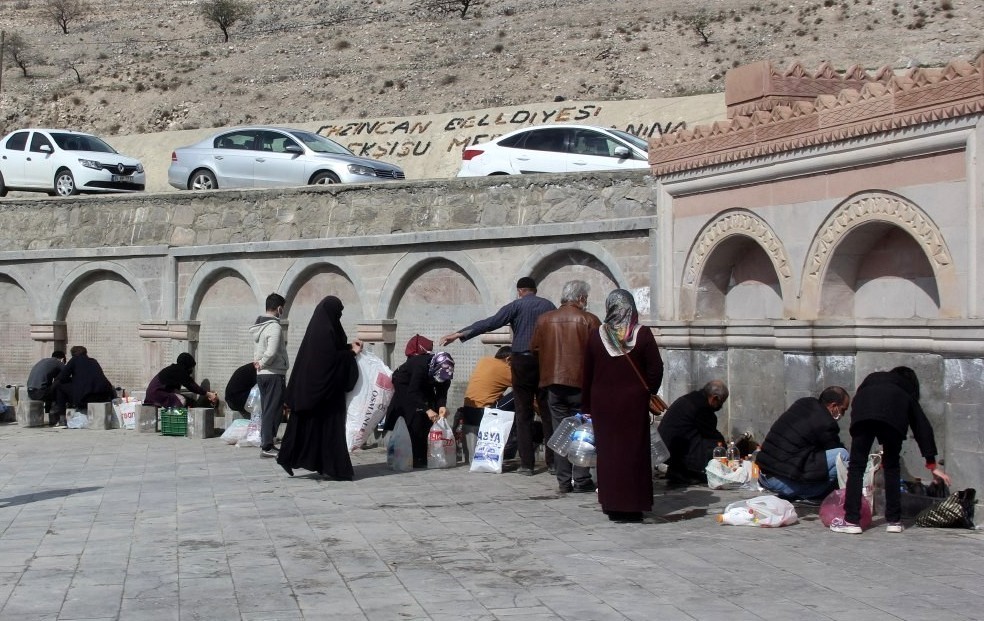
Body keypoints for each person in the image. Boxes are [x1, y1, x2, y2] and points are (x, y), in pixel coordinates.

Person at [441, 276, 556, 476]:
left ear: (520, 291)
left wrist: (460, 333)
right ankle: (554, 463)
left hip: (520, 359)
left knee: (523, 412)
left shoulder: (516, 306)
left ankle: (527, 465)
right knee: (546, 411)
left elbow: (491, 322)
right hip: (544, 360)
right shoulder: (549, 306)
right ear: (534, 290)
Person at [831, 367, 951, 534]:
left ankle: (852, 521)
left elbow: (864, 404)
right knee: (892, 466)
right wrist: (931, 464)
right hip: (893, 421)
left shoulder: (872, 379)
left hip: (863, 416)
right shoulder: (904, 391)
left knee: (856, 467)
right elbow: (921, 426)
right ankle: (894, 521)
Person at [582, 289, 663, 522]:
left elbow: (587, 373)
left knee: (608, 454)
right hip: (633, 404)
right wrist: (648, 392)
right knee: (633, 452)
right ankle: (633, 504)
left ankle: (611, 502)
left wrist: (586, 405)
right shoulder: (643, 334)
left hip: (603, 405)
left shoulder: (596, 336)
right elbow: (656, 368)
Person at [277, 296, 363, 480]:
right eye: (338, 312)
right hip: (324, 393)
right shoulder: (325, 331)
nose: (339, 316)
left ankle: (290, 458)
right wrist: (350, 354)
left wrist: (348, 348)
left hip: (314, 391)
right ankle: (335, 468)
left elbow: (331, 352)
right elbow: (329, 360)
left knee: (306, 427)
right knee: (326, 429)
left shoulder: (321, 328)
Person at [530, 280, 601, 493]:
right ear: (580, 298)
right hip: (581, 384)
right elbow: (600, 351)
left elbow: (533, 347)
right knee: (582, 432)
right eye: (585, 298)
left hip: (553, 383)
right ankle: (581, 479)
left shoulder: (544, 320)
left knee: (561, 431)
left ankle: (563, 480)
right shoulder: (589, 320)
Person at [756, 387, 851, 503]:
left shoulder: (803, 403)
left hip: (763, 476)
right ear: (833, 406)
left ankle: (803, 492)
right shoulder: (826, 422)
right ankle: (811, 494)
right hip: (780, 481)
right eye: (843, 410)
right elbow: (835, 448)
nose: (843, 414)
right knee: (843, 455)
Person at [383, 335, 455, 468]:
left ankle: (425, 452)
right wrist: (426, 410)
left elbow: (441, 391)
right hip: (405, 385)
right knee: (415, 414)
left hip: (423, 385)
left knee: (431, 411)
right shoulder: (420, 365)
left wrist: (441, 406)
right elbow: (412, 392)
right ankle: (415, 456)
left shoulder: (445, 371)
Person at [657, 380, 729, 486]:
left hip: (665, 447)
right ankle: (689, 473)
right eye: (720, 403)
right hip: (674, 450)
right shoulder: (702, 408)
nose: (720, 406)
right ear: (714, 398)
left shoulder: (693, 398)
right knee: (714, 446)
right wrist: (726, 452)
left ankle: (679, 471)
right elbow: (712, 436)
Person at [454, 345, 513, 462]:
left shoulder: (484, 361)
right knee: (520, 392)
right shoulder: (506, 369)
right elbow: (526, 387)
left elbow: (490, 387)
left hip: (468, 410)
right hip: (483, 412)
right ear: (508, 359)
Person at [250, 293, 290, 459]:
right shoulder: (274, 327)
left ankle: (267, 442)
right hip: (273, 373)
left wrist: (259, 363)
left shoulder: (259, 326)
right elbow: (272, 351)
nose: (283, 312)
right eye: (283, 308)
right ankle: (267, 445)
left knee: (269, 409)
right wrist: (264, 362)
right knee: (272, 410)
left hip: (263, 375)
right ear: (279, 308)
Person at [52, 346, 116, 427]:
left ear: (73, 354)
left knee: (60, 387)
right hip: (103, 397)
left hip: (85, 398)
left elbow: (62, 377)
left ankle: (62, 419)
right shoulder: (93, 361)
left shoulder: (74, 360)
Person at [144, 353, 217, 409]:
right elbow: (191, 386)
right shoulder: (179, 371)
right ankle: (175, 422)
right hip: (157, 395)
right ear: (187, 365)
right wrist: (208, 394)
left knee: (189, 401)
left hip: (155, 394)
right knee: (182, 400)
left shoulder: (174, 370)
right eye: (191, 367)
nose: (191, 370)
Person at [26, 350, 66, 426]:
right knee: (59, 389)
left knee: (51, 388)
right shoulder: (58, 362)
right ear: (62, 359)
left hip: (30, 392)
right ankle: (57, 418)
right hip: (39, 393)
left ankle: (49, 412)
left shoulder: (43, 361)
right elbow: (66, 373)